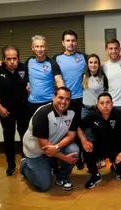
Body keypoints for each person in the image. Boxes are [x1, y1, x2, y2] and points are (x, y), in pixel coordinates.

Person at [20, 87, 79, 192]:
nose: (64, 102)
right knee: (44, 186)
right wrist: (65, 158)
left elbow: (71, 135)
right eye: (60, 98)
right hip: (36, 152)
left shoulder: (72, 112)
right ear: (53, 97)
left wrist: (57, 147)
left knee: (74, 150)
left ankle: (62, 177)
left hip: (53, 147)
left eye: (67, 99)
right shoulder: (43, 113)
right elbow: (44, 146)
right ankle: (25, 165)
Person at [78, 92, 121, 188]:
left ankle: (118, 167)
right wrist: (84, 140)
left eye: (108, 102)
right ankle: (95, 175)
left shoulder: (118, 114)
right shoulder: (93, 115)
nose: (105, 106)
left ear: (112, 104)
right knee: (87, 149)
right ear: (97, 105)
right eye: (102, 103)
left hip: (117, 147)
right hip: (100, 146)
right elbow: (79, 127)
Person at [0, 46, 29, 176]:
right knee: (9, 138)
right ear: (3, 60)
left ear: (18, 58)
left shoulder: (24, 68)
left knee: (25, 137)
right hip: (6, 111)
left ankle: (25, 163)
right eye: (8, 59)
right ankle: (11, 164)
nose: (12, 61)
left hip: (23, 110)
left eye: (14, 58)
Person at [53, 30, 87, 169]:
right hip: (65, 102)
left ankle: (80, 158)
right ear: (63, 43)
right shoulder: (56, 58)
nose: (71, 43)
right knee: (66, 130)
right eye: (68, 40)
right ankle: (62, 158)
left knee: (80, 129)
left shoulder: (83, 57)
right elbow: (58, 79)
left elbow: (97, 65)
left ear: (76, 42)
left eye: (73, 40)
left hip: (82, 100)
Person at [26, 35, 64, 118]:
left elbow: (59, 81)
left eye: (42, 46)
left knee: (49, 129)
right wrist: (1, 64)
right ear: (32, 48)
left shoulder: (52, 63)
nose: (40, 49)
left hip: (49, 103)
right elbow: (18, 70)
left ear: (46, 48)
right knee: (35, 129)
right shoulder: (29, 61)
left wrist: (62, 99)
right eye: (37, 46)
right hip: (32, 103)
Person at [81, 53, 108, 119]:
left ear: (99, 64)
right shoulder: (83, 76)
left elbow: (106, 93)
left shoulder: (103, 77)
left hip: (97, 110)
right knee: (84, 129)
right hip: (85, 110)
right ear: (87, 64)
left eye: (95, 62)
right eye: (91, 62)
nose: (93, 65)